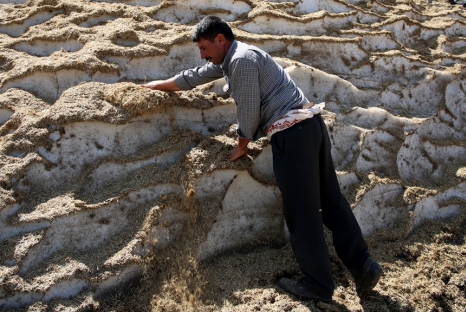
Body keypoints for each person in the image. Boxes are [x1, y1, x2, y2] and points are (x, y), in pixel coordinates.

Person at [142, 16, 382, 303]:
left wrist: (242, 144)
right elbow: (194, 76)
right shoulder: (237, 56)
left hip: (292, 135)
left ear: (220, 39)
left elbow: (249, 108)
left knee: (302, 213)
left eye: (204, 48)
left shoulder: (240, 61)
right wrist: (155, 86)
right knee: (331, 202)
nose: (202, 55)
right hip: (310, 126)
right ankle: (364, 265)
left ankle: (318, 285)